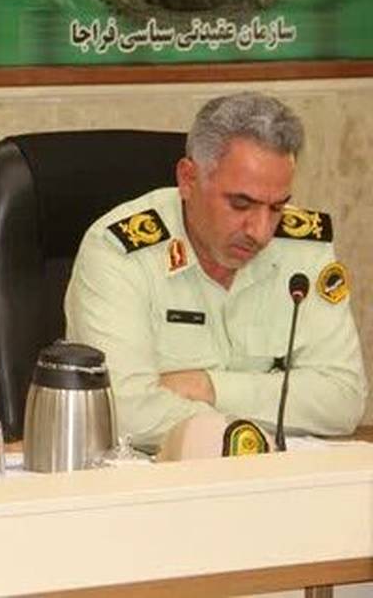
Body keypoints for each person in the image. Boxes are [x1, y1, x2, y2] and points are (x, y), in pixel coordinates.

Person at [65, 92, 367, 450]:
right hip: (152, 475)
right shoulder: (119, 252)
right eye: (241, 204)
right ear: (188, 179)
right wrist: (249, 439)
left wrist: (210, 386)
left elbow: (344, 400)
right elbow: (124, 413)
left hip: (280, 476)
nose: (261, 231)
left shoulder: (303, 250)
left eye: (276, 208)